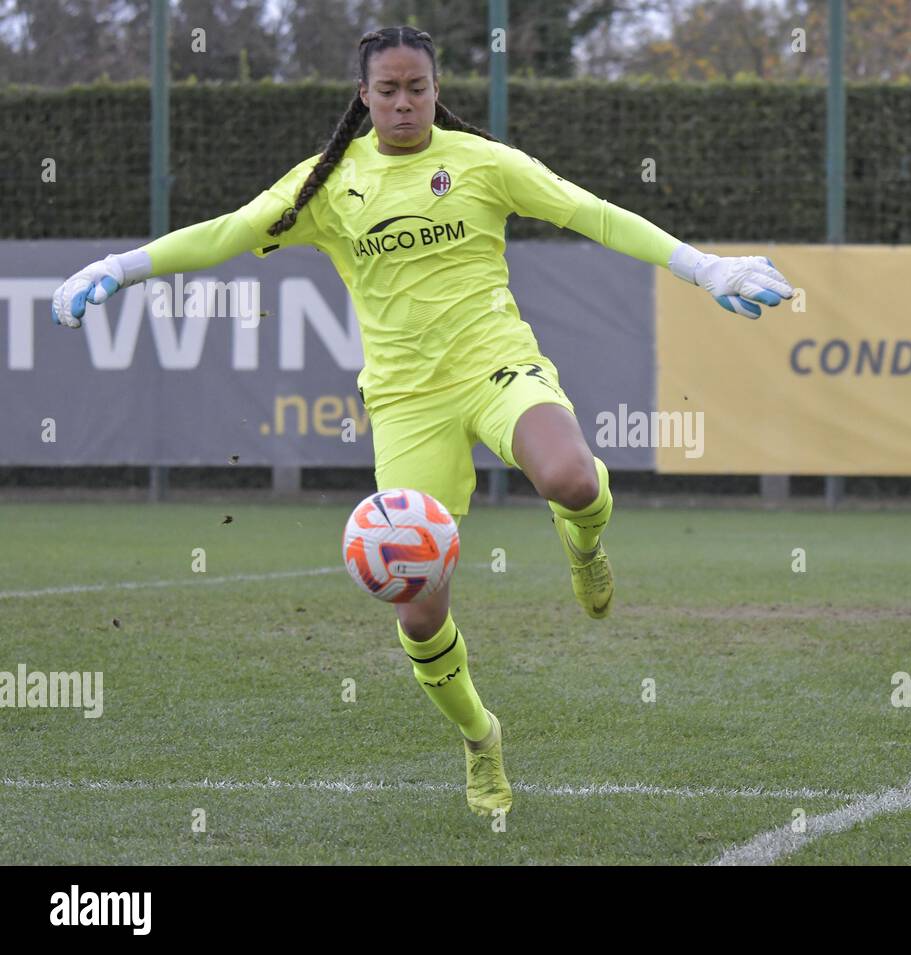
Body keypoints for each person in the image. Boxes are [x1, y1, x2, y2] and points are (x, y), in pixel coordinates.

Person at [50, 25, 793, 818]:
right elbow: (226, 233)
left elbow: (595, 214)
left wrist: (707, 267)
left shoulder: (484, 163)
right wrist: (118, 268)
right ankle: (480, 739)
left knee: (573, 479)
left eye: (417, 87)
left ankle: (585, 546)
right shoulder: (326, 185)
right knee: (418, 605)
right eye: (388, 89)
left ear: (438, 92)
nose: (403, 101)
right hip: (406, 404)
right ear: (362, 97)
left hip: (496, 366)